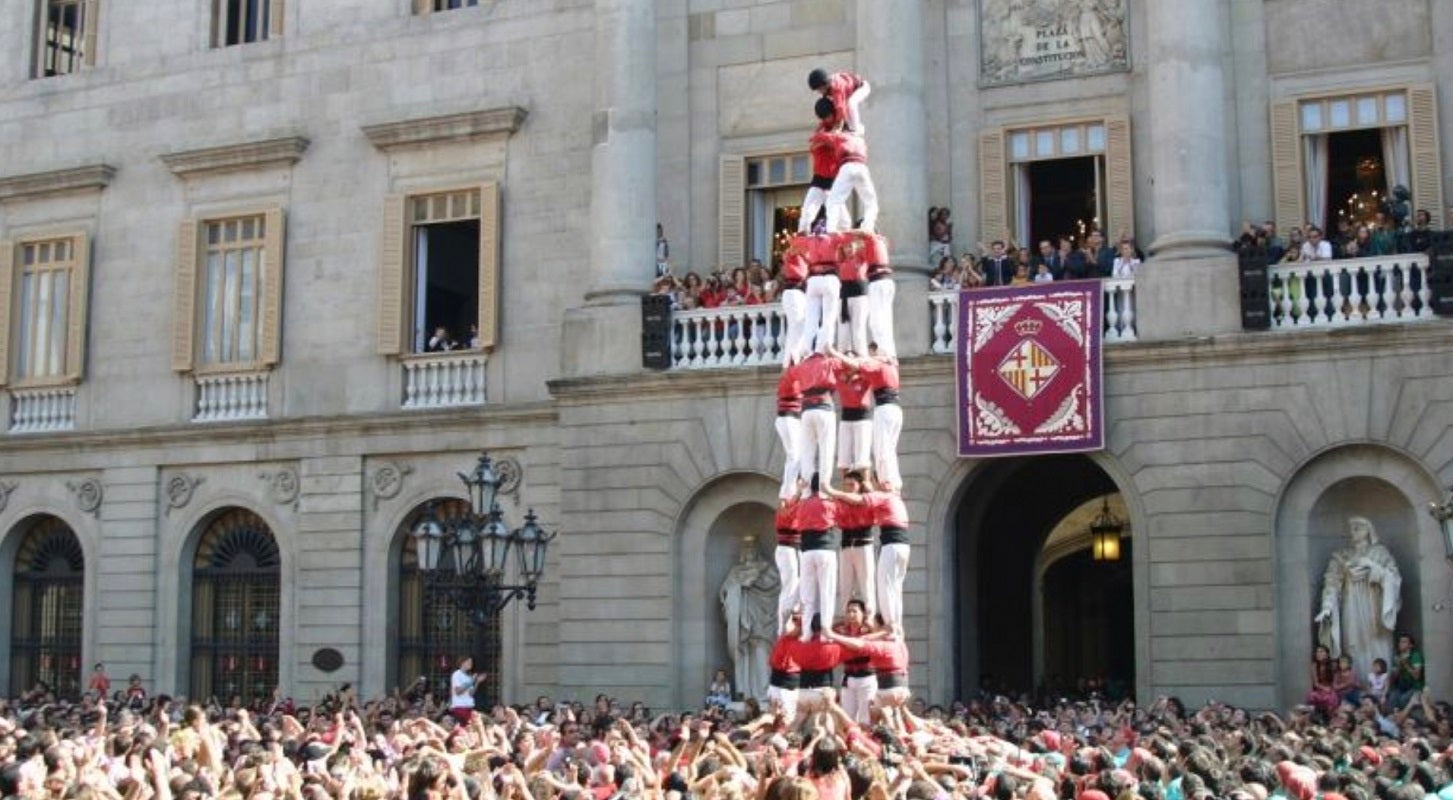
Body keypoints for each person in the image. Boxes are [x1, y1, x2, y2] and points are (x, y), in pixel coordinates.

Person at [1314, 515, 1402, 680]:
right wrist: (1327, 607)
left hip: (1374, 605)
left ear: (1368, 531)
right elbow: (1331, 583)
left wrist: (1373, 568)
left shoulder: (1380, 553)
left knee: (1377, 642)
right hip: (1352, 604)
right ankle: (1355, 684)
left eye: (1358, 528)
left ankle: (1380, 686)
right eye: (1352, 529)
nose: (1353, 532)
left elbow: (1394, 578)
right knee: (1353, 644)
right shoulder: (1342, 556)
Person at [719, 538, 781, 701]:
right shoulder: (736, 571)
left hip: (763, 621)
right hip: (743, 622)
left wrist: (755, 581)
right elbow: (724, 592)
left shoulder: (767, 569)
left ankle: (764, 694)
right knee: (744, 656)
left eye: (752, 548)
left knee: (762, 656)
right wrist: (738, 588)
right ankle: (745, 693)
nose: (749, 552)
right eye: (746, 548)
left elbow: (776, 587)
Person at [822, 117, 878, 234]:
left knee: (833, 200)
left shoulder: (840, 136)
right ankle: (868, 226)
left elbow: (823, 137)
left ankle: (831, 228)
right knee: (871, 201)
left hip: (847, 167)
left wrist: (835, 130)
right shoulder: (860, 139)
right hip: (862, 168)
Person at [808, 68, 870, 135]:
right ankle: (851, 127)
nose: (819, 91)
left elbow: (840, 109)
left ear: (825, 84)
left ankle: (856, 129)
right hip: (849, 92)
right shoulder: (827, 86)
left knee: (850, 103)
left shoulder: (836, 88)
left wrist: (838, 128)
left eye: (819, 89)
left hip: (862, 88)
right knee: (846, 105)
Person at [1388, 632, 1424, 712]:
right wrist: (1398, 668)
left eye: (1404, 642)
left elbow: (1417, 676)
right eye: (1400, 642)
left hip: (1415, 687)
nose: (1400, 644)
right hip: (1401, 686)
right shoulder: (1397, 657)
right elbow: (1393, 680)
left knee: (1403, 700)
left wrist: (1406, 664)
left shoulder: (1415, 655)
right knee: (1392, 697)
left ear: (1411, 645)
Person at [450, 655, 486, 723]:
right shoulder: (457, 674)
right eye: (469, 662)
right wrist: (471, 681)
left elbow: (471, 693)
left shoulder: (468, 677)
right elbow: (458, 691)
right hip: (460, 707)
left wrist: (477, 682)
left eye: (471, 662)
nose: (471, 664)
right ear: (462, 663)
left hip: (468, 707)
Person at [1306, 645, 1339, 715]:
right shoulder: (1314, 666)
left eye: (1321, 652)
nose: (1318, 654)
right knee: (1311, 696)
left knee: (1332, 698)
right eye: (1317, 652)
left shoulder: (1333, 665)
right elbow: (1316, 683)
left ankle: (1330, 717)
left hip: (1331, 689)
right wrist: (1324, 688)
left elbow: (1335, 680)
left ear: (1327, 654)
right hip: (1320, 689)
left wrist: (1331, 689)